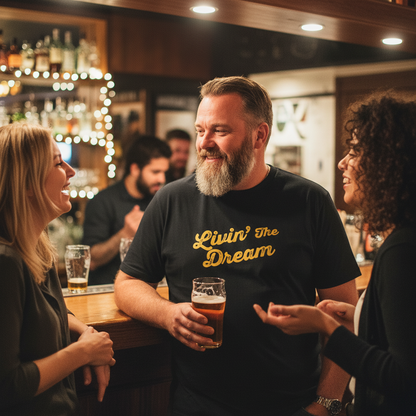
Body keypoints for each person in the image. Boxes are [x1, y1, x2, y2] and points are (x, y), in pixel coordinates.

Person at [114, 76, 359, 416]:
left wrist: (325, 404)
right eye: (200, 130)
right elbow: (127, 284)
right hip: (197, 405)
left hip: (291, 405)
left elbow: (344, 313)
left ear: (260, 135)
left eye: (220, 131)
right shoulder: (172, 200)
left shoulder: (309, 201)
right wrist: (167, 313)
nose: (205, 143)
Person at [254, 91, 416, 415]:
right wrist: (358, 319)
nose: (343, 162)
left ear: (390, 162)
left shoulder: (402, 249)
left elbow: (403, 378)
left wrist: (326, 327)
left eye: (356, 151)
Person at [0, 124, 116, 416]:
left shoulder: (37, 245)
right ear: (27, 184)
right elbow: (6, 385)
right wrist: (83, 352)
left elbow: (49, 310)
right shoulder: (6, 263)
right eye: (57, 163)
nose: (71, 171)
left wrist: (85, 331)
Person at [82, 133, 171, 285]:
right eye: (155, 172)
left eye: (164, 172)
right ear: (135, 169)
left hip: (150, 289)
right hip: (107, 291)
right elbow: (90, 260)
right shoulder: (103, 201)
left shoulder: (160, 200)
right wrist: (125, 233)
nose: (162, 179)